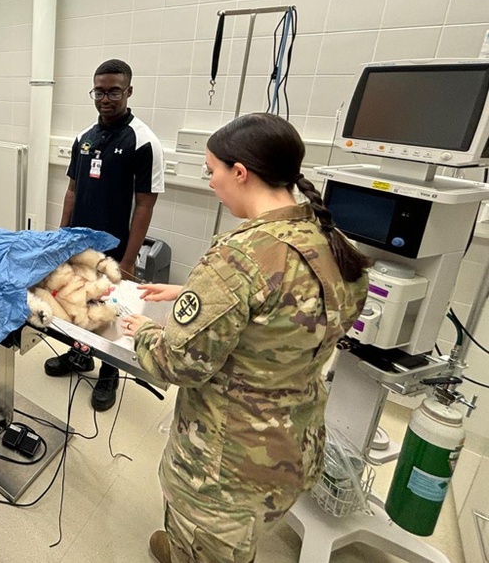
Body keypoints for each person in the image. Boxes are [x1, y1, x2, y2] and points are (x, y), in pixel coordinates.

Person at [120, 113, 370, 563]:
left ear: (240, 172)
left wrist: (146, 331)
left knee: (211, 545)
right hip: (294, 447)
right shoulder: (331, 241)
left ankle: (188, 549)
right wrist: (193, 293)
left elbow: (179, 364)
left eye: (212, 171)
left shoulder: (239, 255)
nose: (211, 182)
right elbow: (290, 315)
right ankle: (181, 547)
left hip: (225, 467)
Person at [43, 59, 164, 411]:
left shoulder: (143, 141)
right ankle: (79, 355)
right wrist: (62, 236)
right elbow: (72, 189)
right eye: (100, 91)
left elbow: (145, 205)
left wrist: (128, 260)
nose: (105, 98)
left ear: (128, 91)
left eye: (114, 91)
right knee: (77, 300)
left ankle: (109, 373)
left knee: (112, 308)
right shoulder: (85, 137)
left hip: (116, 248)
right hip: (79, 244)